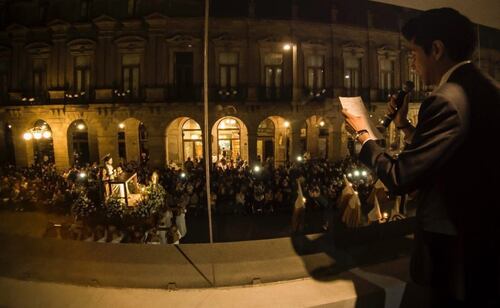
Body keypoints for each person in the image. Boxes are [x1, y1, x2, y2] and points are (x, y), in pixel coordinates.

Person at [342, 8, 499, 307]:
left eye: (414, 53)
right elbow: (454, 152)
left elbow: (402, 176)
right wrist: (404, 125)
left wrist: (365, 137)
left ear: (436, 49)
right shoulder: (487, 88)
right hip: (485, 245)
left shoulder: (444, 98)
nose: (411, 64)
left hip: (453, 256)